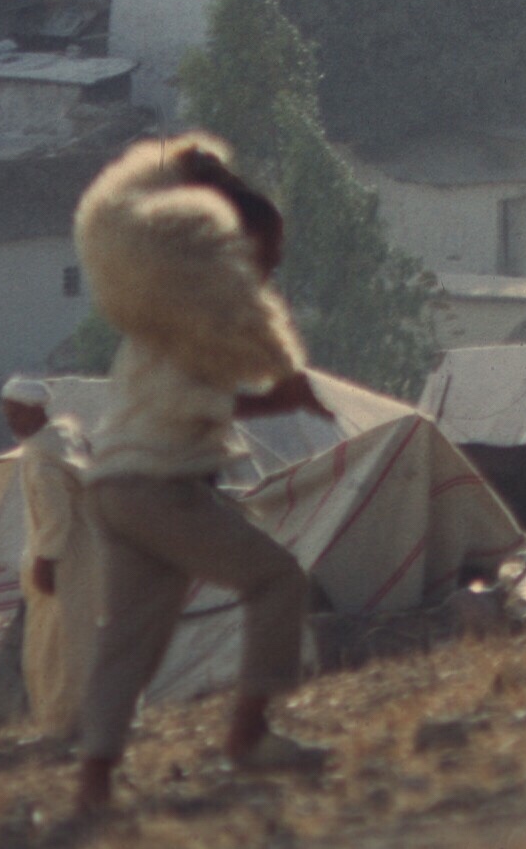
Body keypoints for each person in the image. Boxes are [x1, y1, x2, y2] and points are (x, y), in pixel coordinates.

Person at [68, 135, 330, 812]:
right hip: (159, 486)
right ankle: (248, 733)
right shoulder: (196, 311)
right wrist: (280, 399)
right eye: (265, 254)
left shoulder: (160, 299)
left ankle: (95, 781)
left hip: (112, 486)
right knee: (276, 578)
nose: (271, 267)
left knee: (129, 639)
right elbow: (191, 400)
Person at [1, 375, 92, 745]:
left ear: (33, 411)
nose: (10, 422)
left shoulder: (40, 456)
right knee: (87, 643)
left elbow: (54, 514)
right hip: (90, 557)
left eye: (15, 413)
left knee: (51, 649)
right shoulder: (65, 435)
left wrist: (45, 560)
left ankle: (58, 728)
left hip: (64, 560)